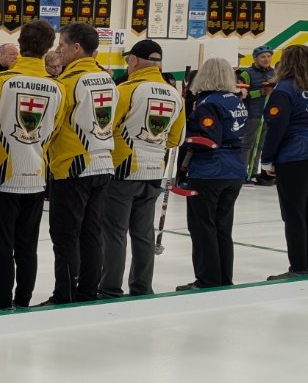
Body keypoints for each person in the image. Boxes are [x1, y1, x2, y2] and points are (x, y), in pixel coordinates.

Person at [0, 20, 63, 313]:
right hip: (36, 174)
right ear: (48, 48)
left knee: (1, 246)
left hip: (2, 174)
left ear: (20, 43)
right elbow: (55, 128)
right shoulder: (57, 88)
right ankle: (23, 302)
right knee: (28, 245)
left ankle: (1, 303)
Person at [98, 40, 184, 298]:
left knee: (114, 232)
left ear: (134, 61)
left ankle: (110, 288)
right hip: (154, 170)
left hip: (123, 170)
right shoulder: (174, 94)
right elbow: (175, 139)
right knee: (143, 233)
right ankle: (142, 287)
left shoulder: (126, 90)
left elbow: (107, 127)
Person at [44, 23, 118, 304]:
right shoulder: (107, 79)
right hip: (103, 162)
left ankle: (65, 294)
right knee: (91, 233)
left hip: (73, 165)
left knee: (65, 235)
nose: (58, 50)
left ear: (76, 48)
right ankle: (88, 291)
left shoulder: (67, 83)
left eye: (62, 45)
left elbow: (52, 125)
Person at [177, 57, 248, 290]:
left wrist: (183, 139)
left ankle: (208, 279)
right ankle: (223, 277)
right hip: (234, 169)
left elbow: (209, 140)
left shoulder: (209, 103)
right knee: (222, 227)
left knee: (203, 226)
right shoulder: (235, 101)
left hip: (210, 170)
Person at [261, 44, 308, 280]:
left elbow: (277, 127)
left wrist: (267, 159)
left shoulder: (285, 89)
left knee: (294, 214)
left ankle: (299, 266)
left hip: (295, 156)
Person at [240, 46, 276, 186]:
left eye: (268, 56)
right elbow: (241, 94)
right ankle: (242, 173)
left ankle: (254, 172)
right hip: (252, 114)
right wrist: (260, 92)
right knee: (247, 144)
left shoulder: (274, 73)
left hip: (267, 114)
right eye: (263, 57)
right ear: (255, 59)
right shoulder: (247, 73)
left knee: (261, 145)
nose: (266, 59)